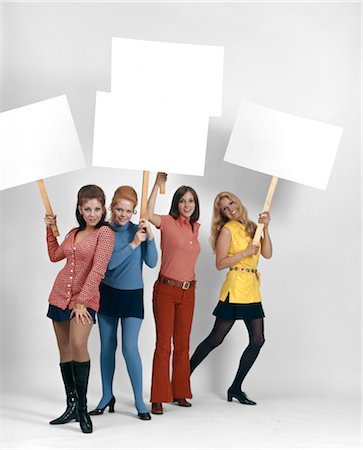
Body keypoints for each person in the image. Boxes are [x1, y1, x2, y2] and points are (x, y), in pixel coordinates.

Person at [190, 191, 272, 405]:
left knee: (258, 339)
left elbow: (268, 254)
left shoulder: (254, 227)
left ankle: (236, 387)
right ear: (222, 214)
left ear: (238, 202)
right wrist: (244, 252)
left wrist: (266, 228)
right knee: (215, 339)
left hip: (252, 290)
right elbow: (220, 263)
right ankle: (181, 378)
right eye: (224, 208)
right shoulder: (227, 230)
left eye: (231, 203)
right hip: (235, 289)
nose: (230, 209)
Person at [45, 185, 114, 434]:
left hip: (84, 300)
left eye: (97, 208)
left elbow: (98, 270)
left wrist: (82, 301)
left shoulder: (105, 234)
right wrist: (49, 228)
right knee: (64, 349)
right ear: (80, 210)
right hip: (59, 296)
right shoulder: (73, 233)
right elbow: (55, 256)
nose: (93, 213)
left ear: (103, 209)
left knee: (78, 345)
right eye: (88, 209)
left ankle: (83, 409)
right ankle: (71, 406)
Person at [89, 186, 157, 421]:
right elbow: (108, 265)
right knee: (107, 346)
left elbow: (151, 262)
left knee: (130, 348)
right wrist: (133, 245)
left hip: (132, 296)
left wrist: (149, 238)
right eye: (119, 209)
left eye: (128, 211)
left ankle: (139, 401)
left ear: (134, 211)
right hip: (107, 293)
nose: (123, 215)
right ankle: (107, 396)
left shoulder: (138, 230)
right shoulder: (104, 232)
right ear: (111, 207)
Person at [147, 173, 201, 415]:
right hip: (166, 291)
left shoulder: (195, 228)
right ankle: (158, 396)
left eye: (191, 201)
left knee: (183, 345)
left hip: (188, 292)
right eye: (182, 201)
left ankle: (179, 392)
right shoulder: (167, 222)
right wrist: (157, 185)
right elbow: (147, 214)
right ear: (176, 203)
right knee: (163, 345)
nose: (187, 205)